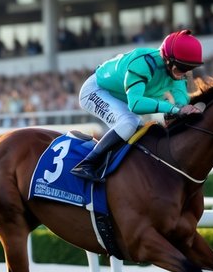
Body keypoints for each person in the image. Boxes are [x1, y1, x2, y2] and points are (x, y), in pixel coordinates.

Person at [71, 29, 205, 181]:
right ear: (168, 60)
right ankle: (87, 164)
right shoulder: (143, 63)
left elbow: (180, 97)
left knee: (144, 129)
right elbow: (135, 104)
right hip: (96, 90)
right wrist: (174, 109)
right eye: (182, 68)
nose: (185, 73)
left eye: (190, 69)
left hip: (121, 97)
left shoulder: (177, 68)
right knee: (129, 123)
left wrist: (182, 109)